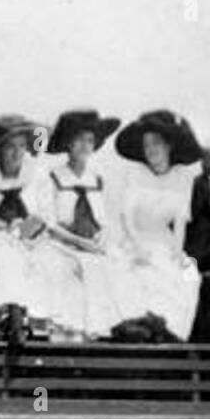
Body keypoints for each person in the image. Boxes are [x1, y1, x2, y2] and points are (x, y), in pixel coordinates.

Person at [0, 114, 80, 336]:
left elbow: (47, 215)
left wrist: (30, 227)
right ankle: (6, 315)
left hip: (32, 240)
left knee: (55, 262)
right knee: (4, 258)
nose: (17, 153)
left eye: (22, 146)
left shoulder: (37, 174)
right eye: (10, 147)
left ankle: (45, 325)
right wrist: (5, 228)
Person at [42, 109, 139, 337]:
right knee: (69, 270)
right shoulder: (53, 177)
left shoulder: (97, 179)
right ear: (67, 144)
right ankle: (70, 334)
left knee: (120, 266)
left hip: (92, 244)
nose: (85, 145)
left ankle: (106, 333)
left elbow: (104, 221)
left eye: (89, 140)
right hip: (62, 244)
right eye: (78, 139)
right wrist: (78, 242)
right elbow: (49, 223)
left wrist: (100, 238)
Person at [113, 109, 203, 340]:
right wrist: (137, 246)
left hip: (166, 240)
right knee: (140, 272)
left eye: (157, 143)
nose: (151, 149)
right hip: (136, 239)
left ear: (169, 146)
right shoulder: (135, 173)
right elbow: (126, 217)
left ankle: (173, 333)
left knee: (189, 273)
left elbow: (180, 221)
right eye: (147, 145)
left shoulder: (183, 177)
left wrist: (177, 250)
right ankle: (143, 329)